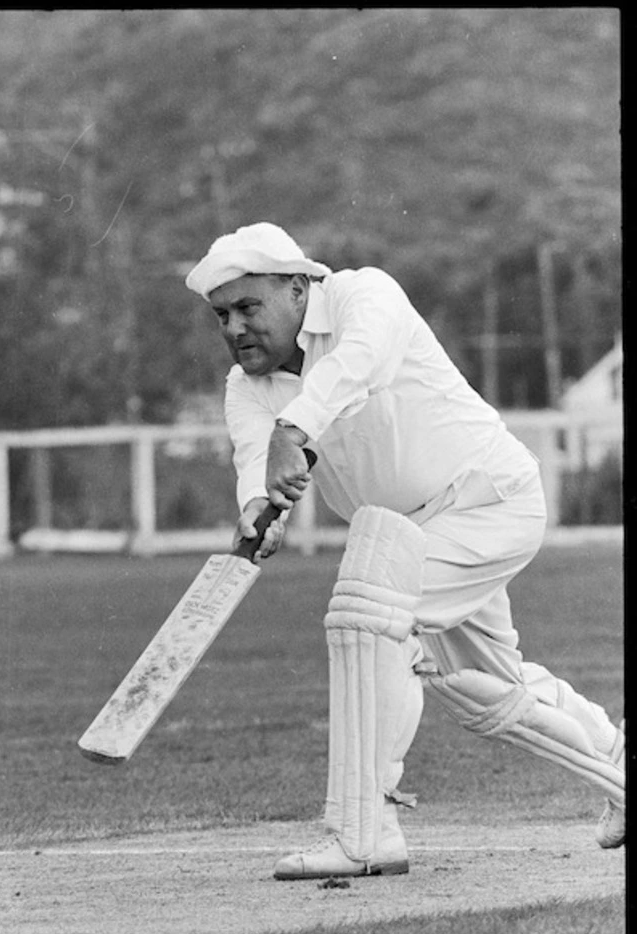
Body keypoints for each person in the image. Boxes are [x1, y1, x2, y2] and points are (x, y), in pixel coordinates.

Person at [185, 221, 625, 880]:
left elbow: (355, 369)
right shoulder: (246, 387)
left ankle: (365, 831)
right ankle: (620, 765)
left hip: (487, 500)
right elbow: (257, 461)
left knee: (368, 614)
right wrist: (259, 510)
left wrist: (295, 427)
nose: (235, 328)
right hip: (411, 532)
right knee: (486, 694)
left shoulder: (368, 296)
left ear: (300, 288)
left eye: (249, 307)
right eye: (223, 315)